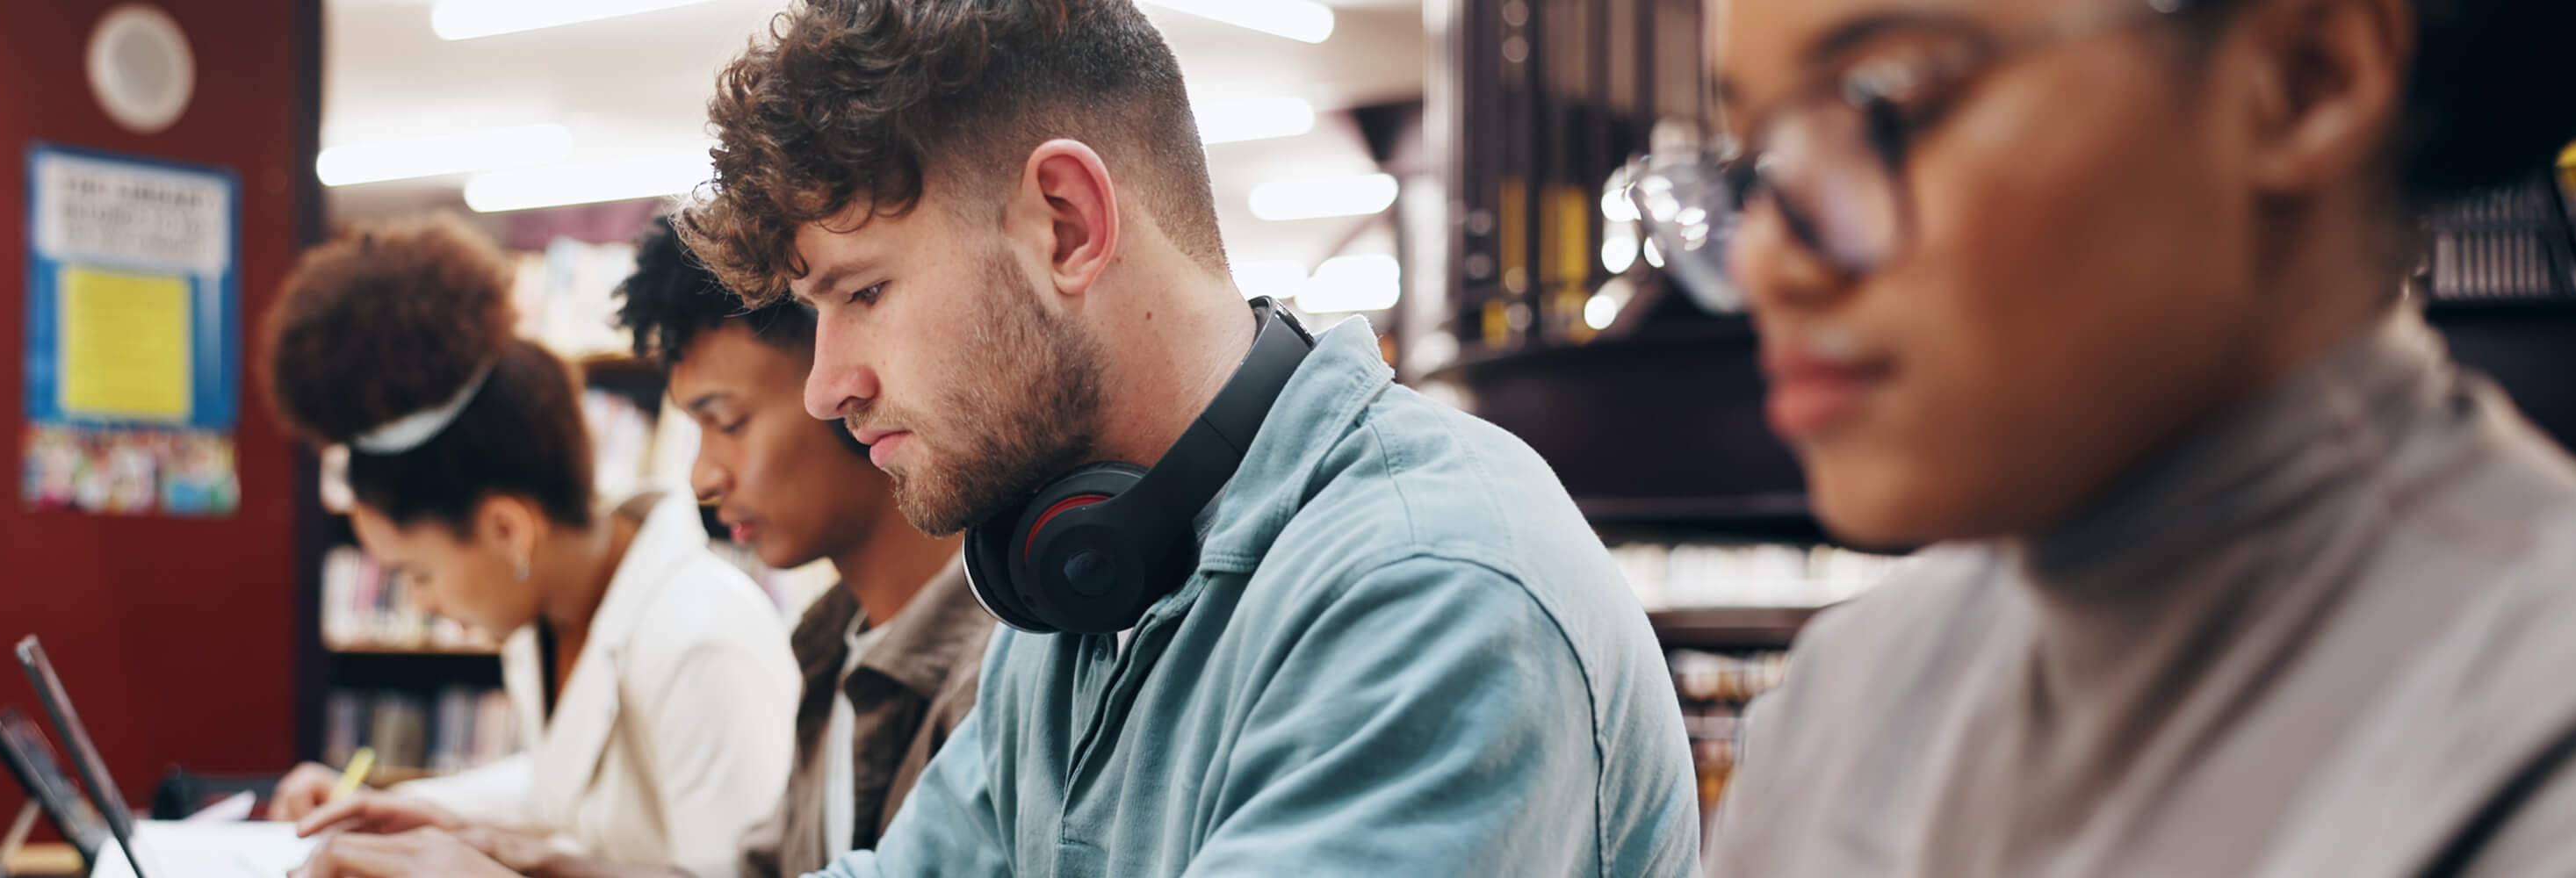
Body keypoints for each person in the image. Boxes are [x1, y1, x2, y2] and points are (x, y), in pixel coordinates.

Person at [672, 2, 1702, 875]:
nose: (825, 387)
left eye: (866, 290)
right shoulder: (1086, 590)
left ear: (1067, 225)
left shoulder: (1433, 588)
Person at [1639, 0, 2576, 874]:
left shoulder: (2540, 742)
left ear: (2308, 77)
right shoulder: (1838, 709)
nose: (1765, 258)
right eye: (1755, 156)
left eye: (1890, 103)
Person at [296, 215, 999, 878]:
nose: (702, 477)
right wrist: (510, 854)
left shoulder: (993, 680)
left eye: (727, 422)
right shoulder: (830, 649)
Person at [256, 217, 800, 874]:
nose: (423, 602)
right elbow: (561, 788)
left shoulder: (702, 640)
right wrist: (398, 806)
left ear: (507, 529)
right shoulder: (548, 620)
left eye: (418, 574)